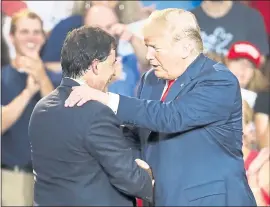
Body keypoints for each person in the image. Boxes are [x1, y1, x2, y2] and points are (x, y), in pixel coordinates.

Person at [65, 8, 256, 206]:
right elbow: (135, 134)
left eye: (155, 47)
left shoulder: (218, 80)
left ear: (185, 47)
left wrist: (106, 99)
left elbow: (172, 117)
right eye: (147, 46)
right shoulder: (150, 80)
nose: (148, 55)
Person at [29, 26, 153, 206]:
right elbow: (132, 180)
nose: (113, 73)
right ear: (95, 66)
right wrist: (147, 174)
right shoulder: (95, 112)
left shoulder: (41, 108)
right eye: (112, 64)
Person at [1, 9, 60, 206]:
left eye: (36, 32)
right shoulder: (2, 78)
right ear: (11, 37)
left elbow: (60, 119)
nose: (31, 38)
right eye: (24, 32)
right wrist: (27, 92)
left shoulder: (57, 80)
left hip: (51, 180)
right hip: (11, 178)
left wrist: (41, 76)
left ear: (43, 38)